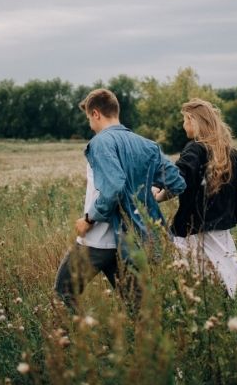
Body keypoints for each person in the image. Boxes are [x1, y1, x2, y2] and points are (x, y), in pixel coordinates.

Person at [54, 88, 186, 313]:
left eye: (88, 118)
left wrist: (89, 218)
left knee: (63, 292)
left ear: (96, 113)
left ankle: (79, 341)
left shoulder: (101, 142)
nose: (90, 125)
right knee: (138, 307)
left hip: (98, 238)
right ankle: (148, 345)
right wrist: (149, 196)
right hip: (132, 241)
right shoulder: (146, 145)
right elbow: (177, 183)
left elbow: (114, 187)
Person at [154, 98, 237, 300]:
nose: (183, 125)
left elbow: (180, 174)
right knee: (191, 264)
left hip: (198, 223)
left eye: (185, 120)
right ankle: (204, 302)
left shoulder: (195, 148)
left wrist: (157, 185)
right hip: (210, 223)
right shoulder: (228, 151)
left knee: (229, 269)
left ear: (193, 120)